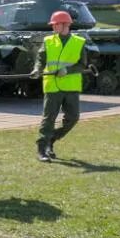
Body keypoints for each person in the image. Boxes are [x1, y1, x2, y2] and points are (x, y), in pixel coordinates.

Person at [30, 10, 88, 162]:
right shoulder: (48, 41)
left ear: (66, 24)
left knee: (73, 118)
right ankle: (42, 149)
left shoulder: (79, 42)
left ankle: (51, 139)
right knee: (48, 119)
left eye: (56, 24)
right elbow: (40, 59)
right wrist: (37, 69)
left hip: (71, 86)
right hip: (52, 86)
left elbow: (82, 64)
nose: (53, 27)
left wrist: (67, 70)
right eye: (53, 25)